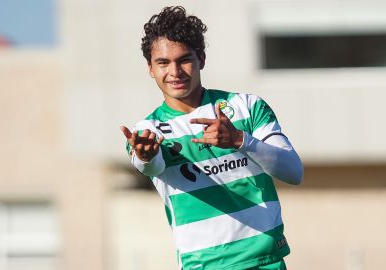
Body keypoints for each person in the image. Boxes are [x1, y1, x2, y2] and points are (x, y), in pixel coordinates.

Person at [120, 6, 303, 270]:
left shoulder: (246, 106)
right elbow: (150, 165)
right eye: (163, 62)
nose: (175, 72)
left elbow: (293, 172)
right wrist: (145, 155)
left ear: (201, 59)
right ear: (150, 68)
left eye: (184, 59)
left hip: (266, 262)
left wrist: (240, 139)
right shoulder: (148, 132)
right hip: (203, 265)